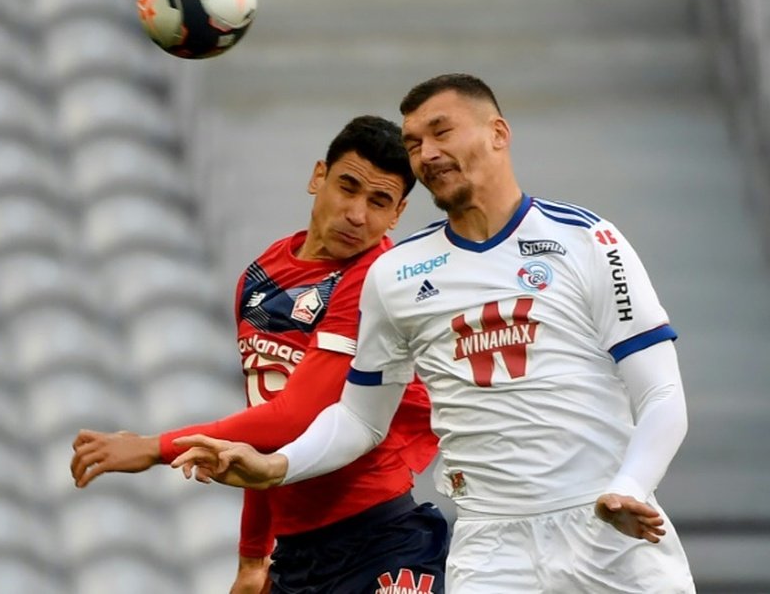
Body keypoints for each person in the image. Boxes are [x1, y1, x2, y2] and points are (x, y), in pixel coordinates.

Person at [172, 73, 697, 594]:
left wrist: (630, 486)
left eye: (441, 132)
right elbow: (359, 419)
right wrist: (276, 467)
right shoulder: (396, 274)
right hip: (490, 549)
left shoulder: (588, 241)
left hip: (605, 527)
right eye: (415, 143)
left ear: (498, 132)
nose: (427, 153)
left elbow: (661, 393)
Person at [70, 115, 449, 594]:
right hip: (296, 554)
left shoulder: (376, 280)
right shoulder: (262, 276)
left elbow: (295, 419)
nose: (357, 214)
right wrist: (253, 557)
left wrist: (153, 448)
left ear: (397, 214)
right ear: (318, 177)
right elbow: (263, 426)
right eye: (347, 188)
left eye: (378, 202)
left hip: (379, 541)